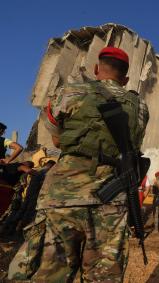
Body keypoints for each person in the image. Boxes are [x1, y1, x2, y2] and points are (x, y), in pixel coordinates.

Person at [8, 47, 149, 282]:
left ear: (96, 69)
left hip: (63, 197)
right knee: (103, 276)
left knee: (49, 273)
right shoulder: (140, 106)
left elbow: (56, 139)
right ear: (125, 79)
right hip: (111, 202)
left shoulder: (70, 92)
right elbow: (132, 146)